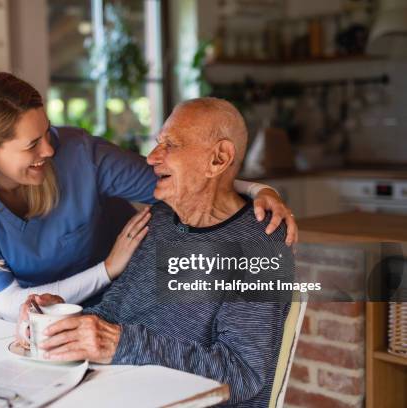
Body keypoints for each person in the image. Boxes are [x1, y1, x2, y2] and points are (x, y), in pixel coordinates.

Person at [0, 72, 298, 322]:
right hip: (52, 320)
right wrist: (107, 268)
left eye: (47, 131)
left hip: (130, 307)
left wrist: (258, 190)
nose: (49, 147)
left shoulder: (78, 153)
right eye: (32, 144)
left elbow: (182, 181)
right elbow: (12, 306)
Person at [31, 98, 291, 407]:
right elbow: (114, 314)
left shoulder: (257, 246)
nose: (152, 158)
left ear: (219, 159)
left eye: (171, 145)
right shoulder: (162, 219)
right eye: (157, 144)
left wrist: (122, 344)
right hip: (124, 392)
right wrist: (61, 322)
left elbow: (242, 374)